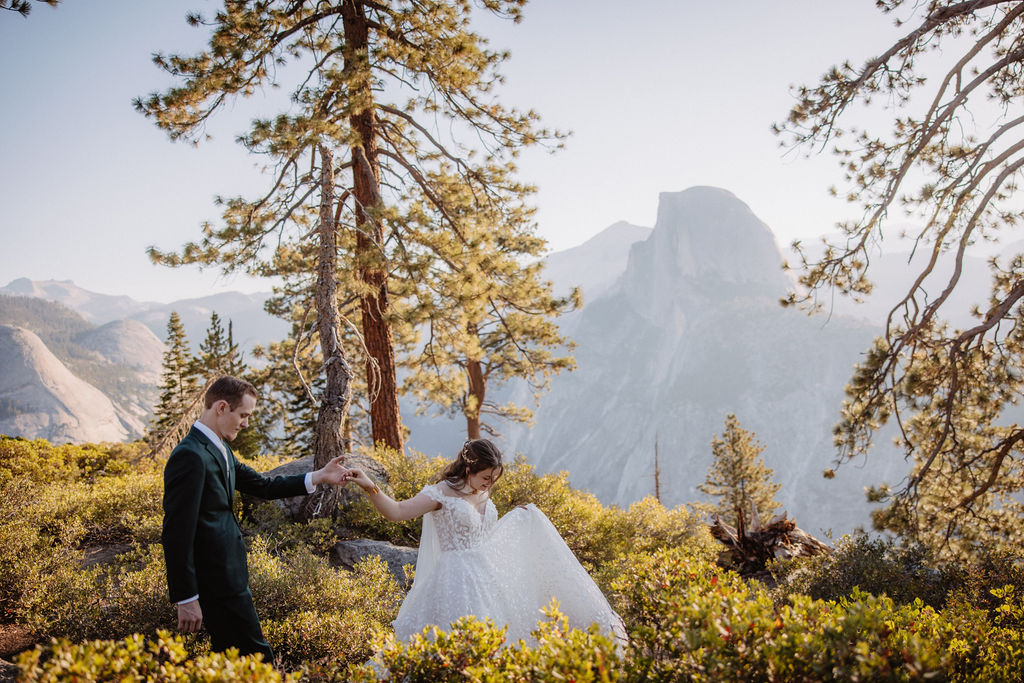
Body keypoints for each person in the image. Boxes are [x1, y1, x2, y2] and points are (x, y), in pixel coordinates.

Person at [342, 438, 625, 644]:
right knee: (462, 641)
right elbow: (398, 511)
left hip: (488, 578)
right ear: (468, 469)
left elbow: (482, 535)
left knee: (500, 640)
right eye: (486, 476)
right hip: (456, 581)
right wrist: (371, 486)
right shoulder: (441, 493)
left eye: (494, 478)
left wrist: (517, 518)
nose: (490, 483)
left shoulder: (482, 493)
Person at [161, 375, 350, 660]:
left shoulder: (219, 448)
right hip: (215, 581)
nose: (246, 423)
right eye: (244, 415)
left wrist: (320, 476)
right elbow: (176, 532)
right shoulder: (190, 456)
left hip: (229, 574)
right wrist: (186, 597)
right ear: (221, 407)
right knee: (257, 656)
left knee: (232, 658)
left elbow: (263, 485)